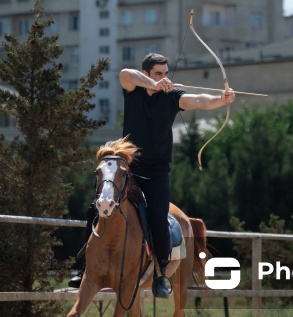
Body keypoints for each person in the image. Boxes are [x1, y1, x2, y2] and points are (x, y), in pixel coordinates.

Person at [68, 53, 235, 298]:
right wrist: (154, 85)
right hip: (130, 171)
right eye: (159, 73)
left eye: (166, 73)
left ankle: (160, 275)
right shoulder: (133, 90)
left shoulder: (172, 97)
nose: (164, 78)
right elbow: (125, 73)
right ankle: (82, 268)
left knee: (158, 217)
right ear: (146, 73)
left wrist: (220, 100)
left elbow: (198, 100)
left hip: (157, 173)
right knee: (95, 209)